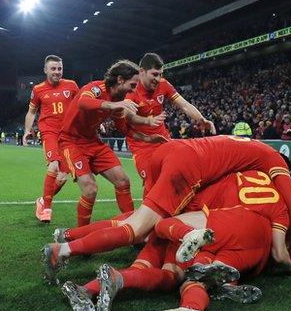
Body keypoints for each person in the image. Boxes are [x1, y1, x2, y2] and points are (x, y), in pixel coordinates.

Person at [42, 135, 291, 284]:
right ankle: (63, 251)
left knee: (138, 220)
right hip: (189, 167)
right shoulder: (272, 160)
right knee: (139, 229)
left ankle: (69, 235)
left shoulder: (249, 149)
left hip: (172, 148)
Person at [57, 60, 165, 228]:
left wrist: (148, 139)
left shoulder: (120, 100)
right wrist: (113, 105)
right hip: (71, 142)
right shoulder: (96, 88)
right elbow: (82, 103)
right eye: (132, 84)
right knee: (90, 189)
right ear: (120, 79)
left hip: (93, 142)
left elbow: (125, 130)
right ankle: (81, 232)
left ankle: (132, 226)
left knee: (123, 181)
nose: (134, 90)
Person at [126, 53, 215, 194]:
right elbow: (128, 117)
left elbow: (184, 105)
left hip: (163, 140)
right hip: (141, 146)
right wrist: (147, 121)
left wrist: (201, 120)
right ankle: (149, 215)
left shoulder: (163, 85)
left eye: (160, 74)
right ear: (141, 71)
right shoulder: (131, 89)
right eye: (154, 74)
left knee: (179, 174)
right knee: (152, 182)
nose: (157, 79)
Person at [23, 55, 79, 223]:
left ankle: (42, 200)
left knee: (62, 178)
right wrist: (27, 130)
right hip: (49, 133)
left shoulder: (72, 85)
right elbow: (32, 112)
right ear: (45, 70)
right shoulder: (38, 89)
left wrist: (95, 122)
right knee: (53, 165)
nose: (57, 72)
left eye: (59, 69)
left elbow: (82, 104)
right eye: (53, 69)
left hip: (68, 135)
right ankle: (47, 208)